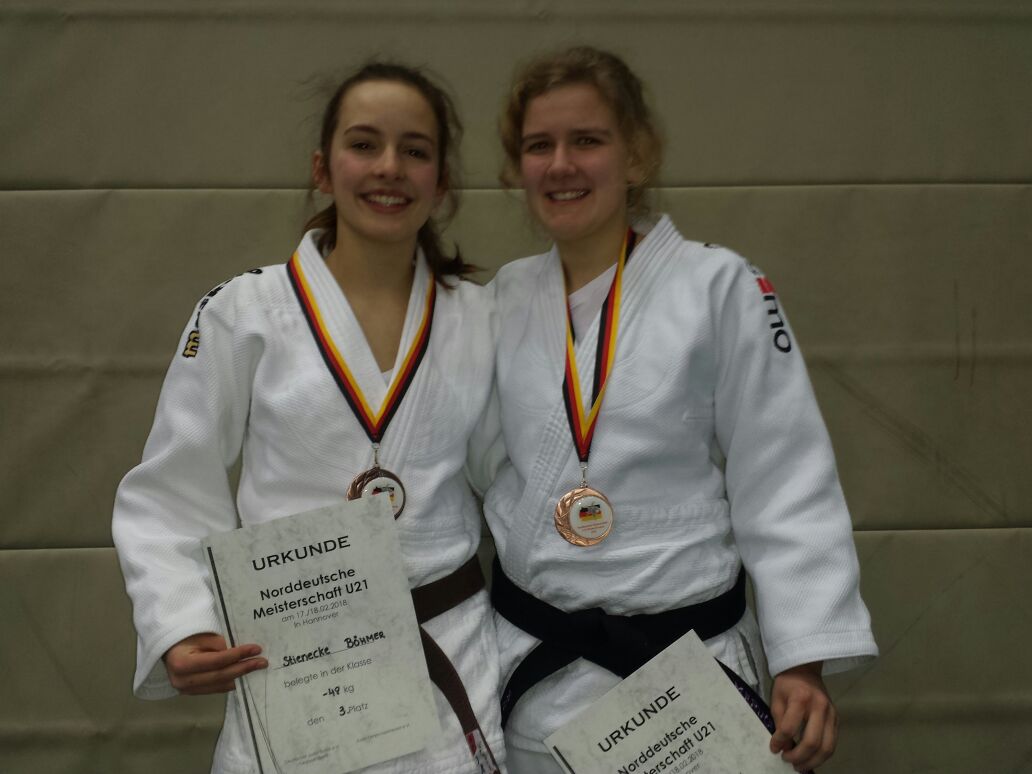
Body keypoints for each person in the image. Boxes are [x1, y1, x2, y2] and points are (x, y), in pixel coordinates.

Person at [473, 46, 878, 774]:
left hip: (688, 680)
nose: (561, 164)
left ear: (637, 154)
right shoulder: (501, 299)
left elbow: (784, 474)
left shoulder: (720, 286)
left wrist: (802, 657)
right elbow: (460, 466)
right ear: (516, 168)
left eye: (587, 140)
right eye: (539, 146)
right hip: (539, 680)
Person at [112, 62, 505, 773]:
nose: (389, 167)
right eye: (365, 144)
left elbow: (514, 485)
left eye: (415, 150)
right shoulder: (244, 311)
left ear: (442, 182)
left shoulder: (482, 318)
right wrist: (180, 621)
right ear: (323, 168)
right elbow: (171, 488)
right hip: (296, 662)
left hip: (449, 653)